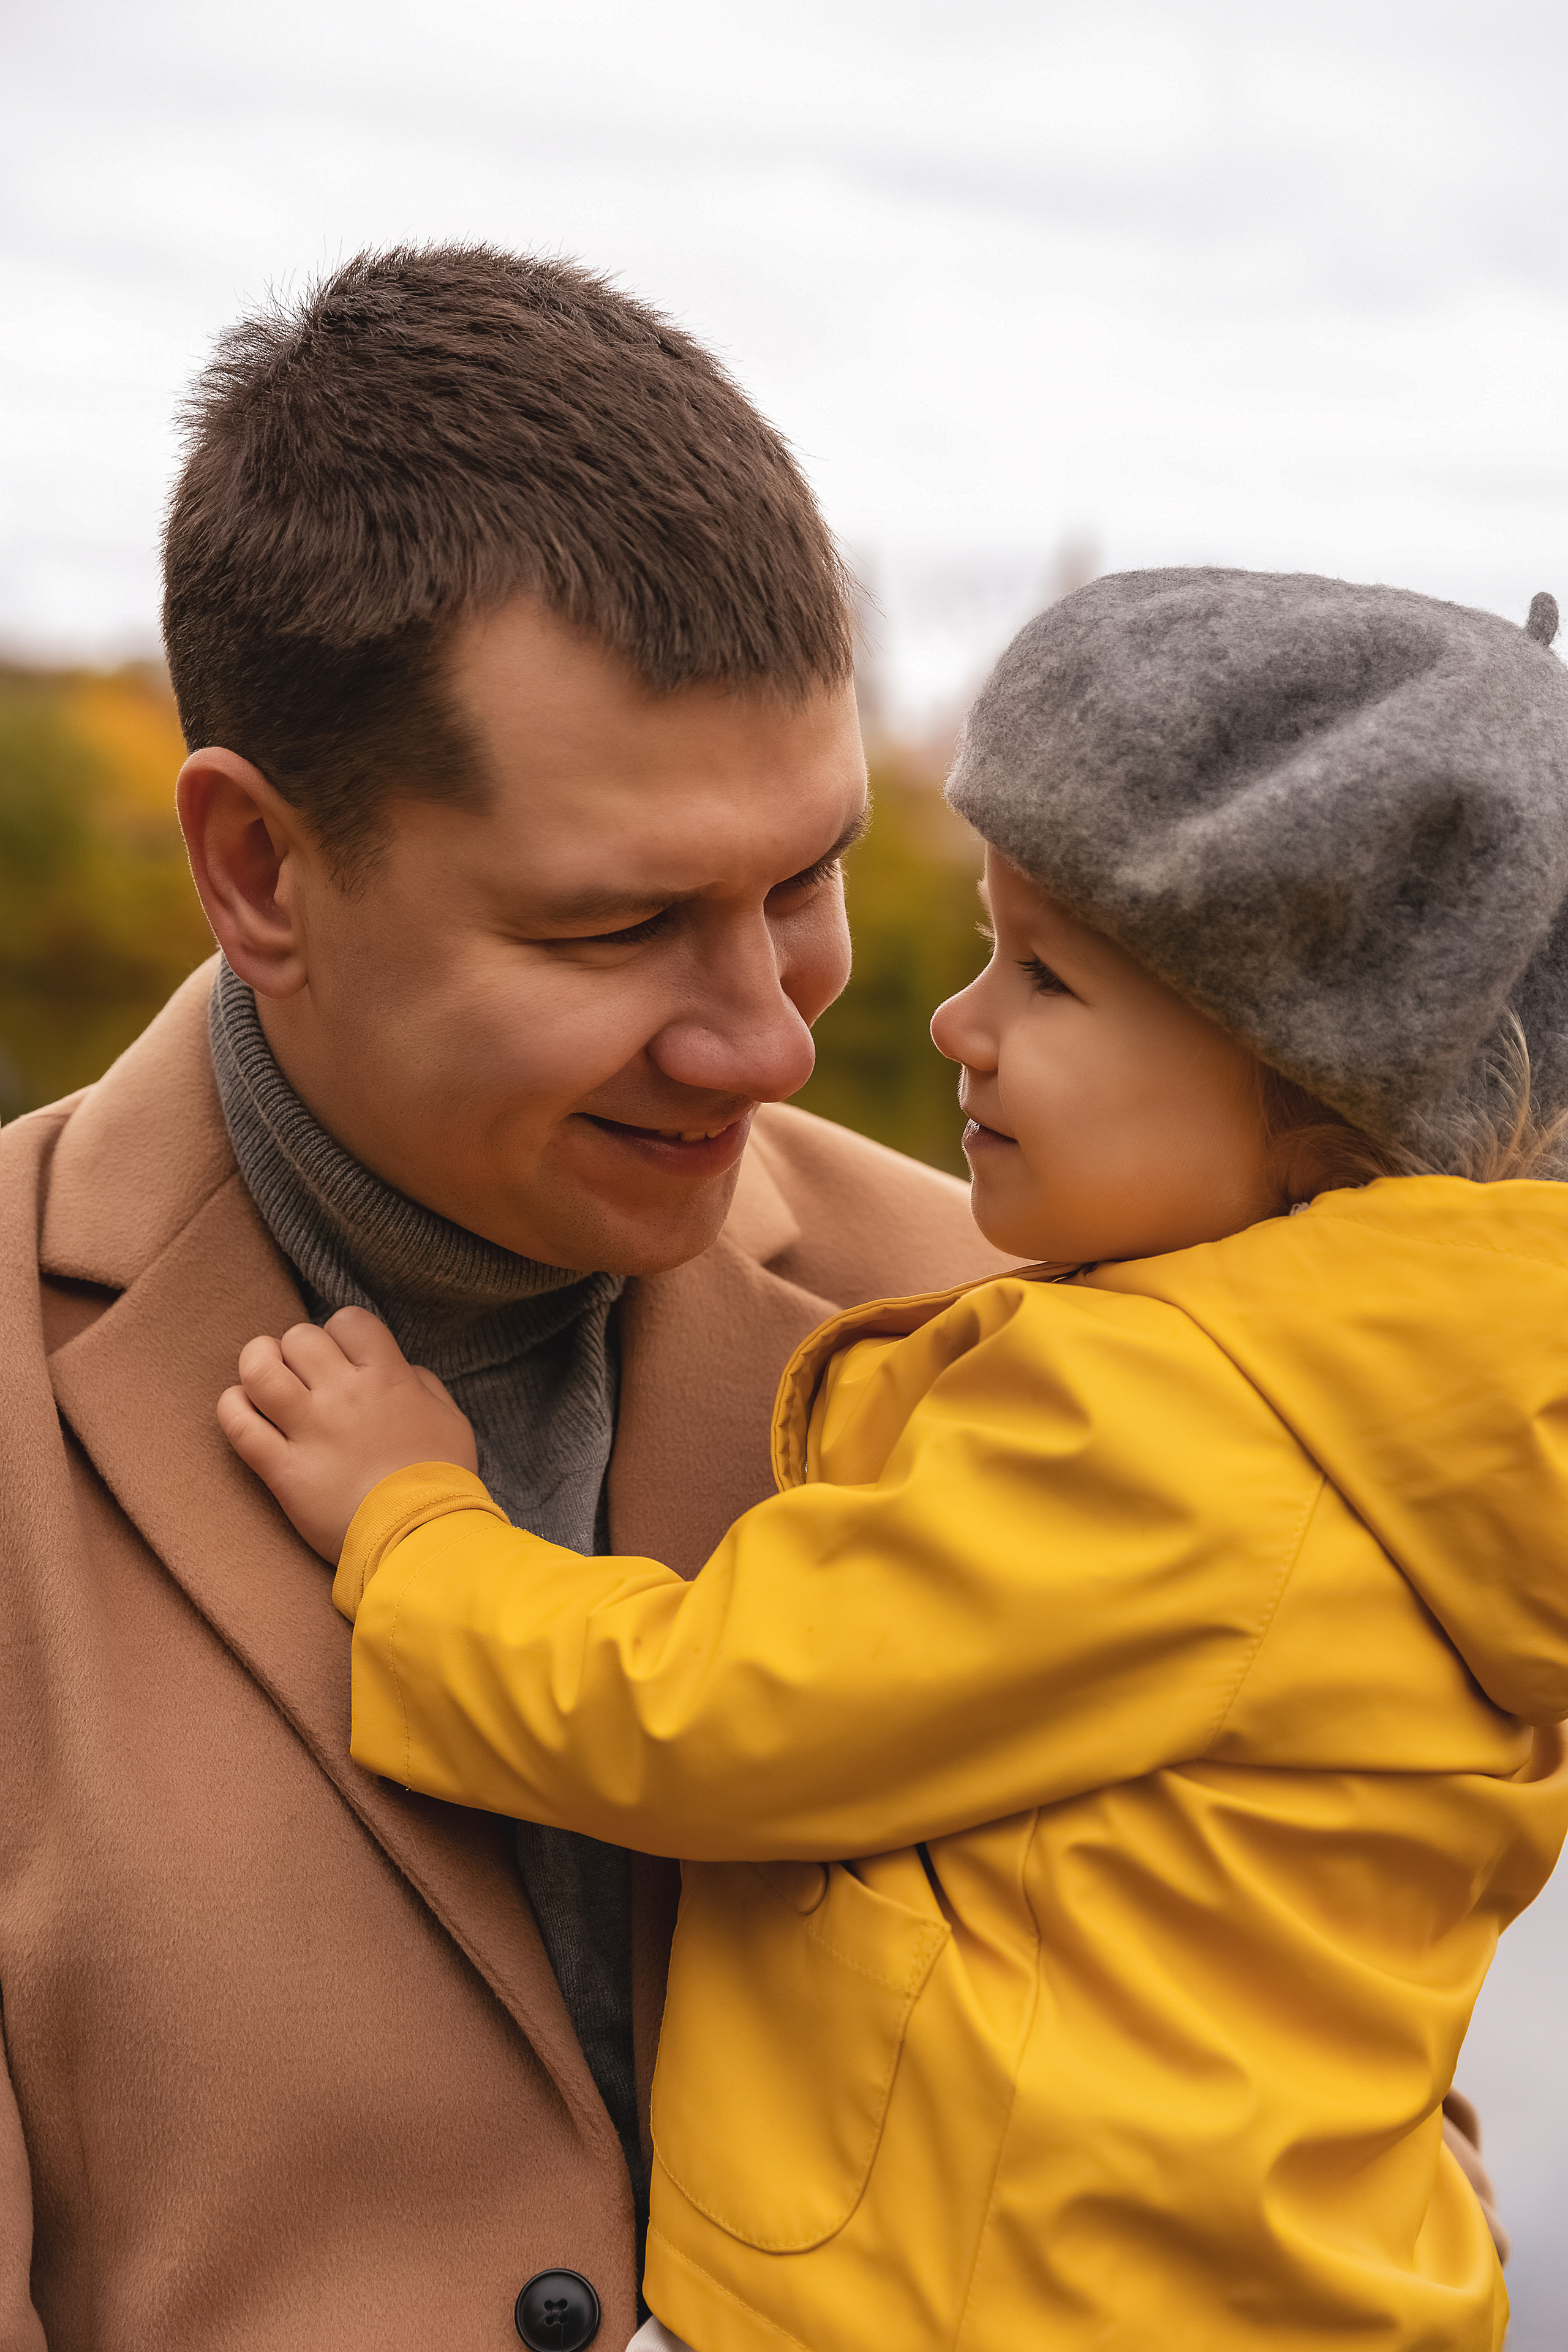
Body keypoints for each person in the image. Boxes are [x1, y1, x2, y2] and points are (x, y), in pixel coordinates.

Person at [220, 570, 1568, 2352]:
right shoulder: (1447, 1402)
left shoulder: (1166, 1419)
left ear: (1316, 1095)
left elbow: (705, 1717)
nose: (960, 1022)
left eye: (1053, 980)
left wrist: (412, 1521)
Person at [0, 246, 1009, 2352]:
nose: (774, 1043)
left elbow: (1335, 2145)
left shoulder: (1019, 1334)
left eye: (803, 880)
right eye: (622, 923)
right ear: (261, 871)